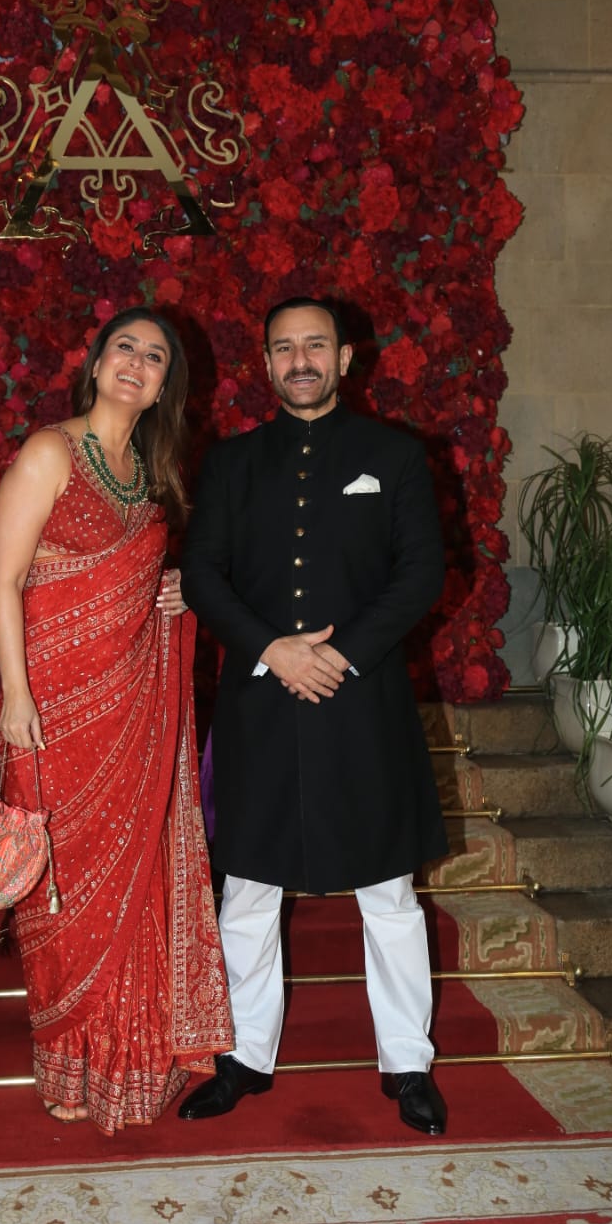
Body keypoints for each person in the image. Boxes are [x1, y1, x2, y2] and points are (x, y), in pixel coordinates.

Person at [177, 296, 449, 1136]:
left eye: (314, 346)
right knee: (248, 892)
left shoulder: (394, 457)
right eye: (283, 348)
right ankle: (244, 1058)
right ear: (264, 364)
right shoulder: (229, 463)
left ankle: (407, 1064)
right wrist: (273, 649)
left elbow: (419, 574)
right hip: (262, 702)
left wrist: (337, 654)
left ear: (344, 358)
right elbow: (202, 576)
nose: (300, 360)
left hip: (361, 701)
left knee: (388, 892)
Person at [0, 306, 232, 1135]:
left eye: (153, 356)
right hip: (52, 705)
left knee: (129, 881)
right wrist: (16, 697)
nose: (136, 363)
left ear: (167, 382)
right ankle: (63, 1050)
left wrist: (174, 595)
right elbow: (3, 581)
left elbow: (142, 575)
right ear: (94, 363)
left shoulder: (152, 466)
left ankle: (126, 1053)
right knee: (61, 891)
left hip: (130, 705)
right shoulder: (50, 451)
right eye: (122, 347)